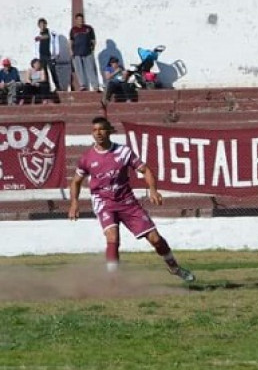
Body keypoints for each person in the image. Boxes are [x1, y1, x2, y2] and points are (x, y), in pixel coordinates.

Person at [68, 116, 196, 282]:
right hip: (104, 202)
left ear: (109, 131)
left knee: (155, 239)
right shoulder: (87, 158)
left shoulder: (123, 152)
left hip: (127, 202)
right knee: (112, 237)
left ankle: (174, 267)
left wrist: (153, 190)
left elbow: (146, 170)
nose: (98, 133)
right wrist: (74, 203)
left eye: (101, 129)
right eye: (94, 130)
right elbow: (76, 182)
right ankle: (113, 281)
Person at [69, 13, 100, 92]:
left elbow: (93, 40)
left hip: (88, 52)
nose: (80, 21)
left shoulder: (88, 28)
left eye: (81, 19)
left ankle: (95, 86)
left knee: (90, 69)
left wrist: (92, 49)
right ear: (76, 20)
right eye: (78, 19)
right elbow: (71, 41)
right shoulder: (73, 30)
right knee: (79, 70)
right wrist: (71, 51)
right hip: (77, 53)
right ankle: (83, 85)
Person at [34, 17, 66, 92]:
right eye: (40, 24)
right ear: (38, 26)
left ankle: (58, 87)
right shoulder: (37, 35)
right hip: (41, 56)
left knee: (53, 71)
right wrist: (36, 57)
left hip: (49, 55)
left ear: (46, 24)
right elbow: (35, 46)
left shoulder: (51, 33)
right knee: (44, 73)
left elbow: (56, 43)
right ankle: (47, 88)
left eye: (43, 24)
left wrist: (57, 53)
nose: (42, 26)